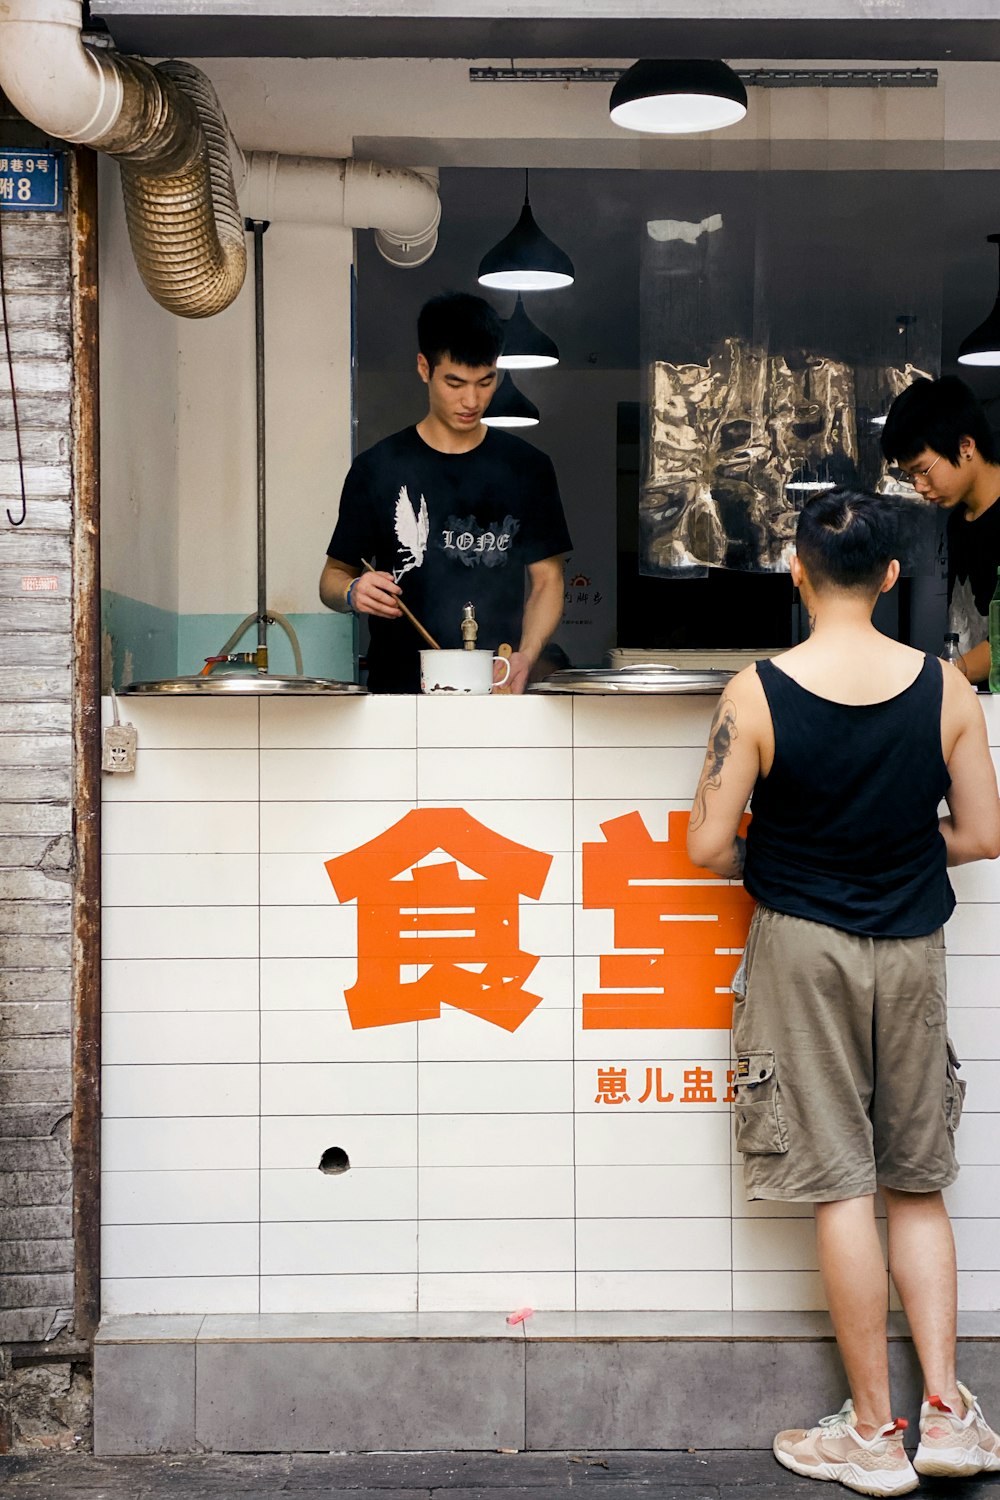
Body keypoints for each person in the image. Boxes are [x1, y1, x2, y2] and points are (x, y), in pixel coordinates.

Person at [686, 489, 1000, 1497]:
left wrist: (791, 842)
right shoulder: (946, 686)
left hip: (802, 947)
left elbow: (704, 844)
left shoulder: (755, 691)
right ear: (894, 577)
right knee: (916, 1180)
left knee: (840, 1185)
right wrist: (901, 846)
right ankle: (946, 1417)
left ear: (795, 573)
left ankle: (871, 1434)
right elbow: (984, 834)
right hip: (911, 945)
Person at [319, 292, 572, 694]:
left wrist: (527, 653)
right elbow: (332, 578)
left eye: (485, 382)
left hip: (496, 692)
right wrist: (352, 591)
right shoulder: (377, 468)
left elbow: (547, 581)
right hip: (398, 696)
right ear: (425, 368)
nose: (471, 401)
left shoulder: (528, 468)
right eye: (455, 382)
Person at [881, 375, 1000, 685]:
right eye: (910, 475)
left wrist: (943, 674)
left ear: (966, 446)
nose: (919, 486)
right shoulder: (958, 520)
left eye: (923, 469)